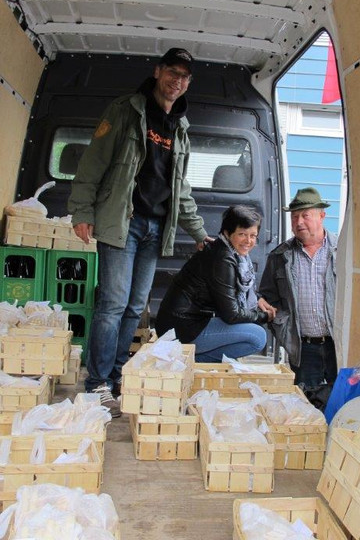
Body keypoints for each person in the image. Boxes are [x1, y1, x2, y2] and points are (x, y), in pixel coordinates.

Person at [68, 47, 212, 416]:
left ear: (188, 83)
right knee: (113, 304)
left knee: (134, 307)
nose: (177, 81)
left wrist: (199, 232)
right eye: (172, 72)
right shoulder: (126, 110)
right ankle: (97, 383)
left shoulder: (180, 128)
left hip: (155, 227)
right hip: (123, 222)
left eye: (184, 76)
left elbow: (180, 189)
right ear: (158, 71)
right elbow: (93, 162)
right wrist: (82, 210)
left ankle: (117, 376)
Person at [155, 205, 276, 362]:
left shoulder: (228, 251)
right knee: (258, 336)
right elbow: (232, 315)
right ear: (227, 232)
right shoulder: (223, 258)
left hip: (184, 323)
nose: (248, 241)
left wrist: (257, 299)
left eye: (253, 236)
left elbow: (230, 291)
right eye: (242, 234)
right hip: (180, 329)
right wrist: (264, 316)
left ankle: (193, 359)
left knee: (251, 326)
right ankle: (191, 361)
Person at [260, 187, 338, 390]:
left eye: (305, 215)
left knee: (341, 400)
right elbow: (267, 297)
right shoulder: (279, 256)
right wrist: (282, 326)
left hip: (338, 344)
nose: (299, 222)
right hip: (303, 348)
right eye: (294, 217)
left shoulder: (341, 251)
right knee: (306, 401)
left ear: (321, 216)